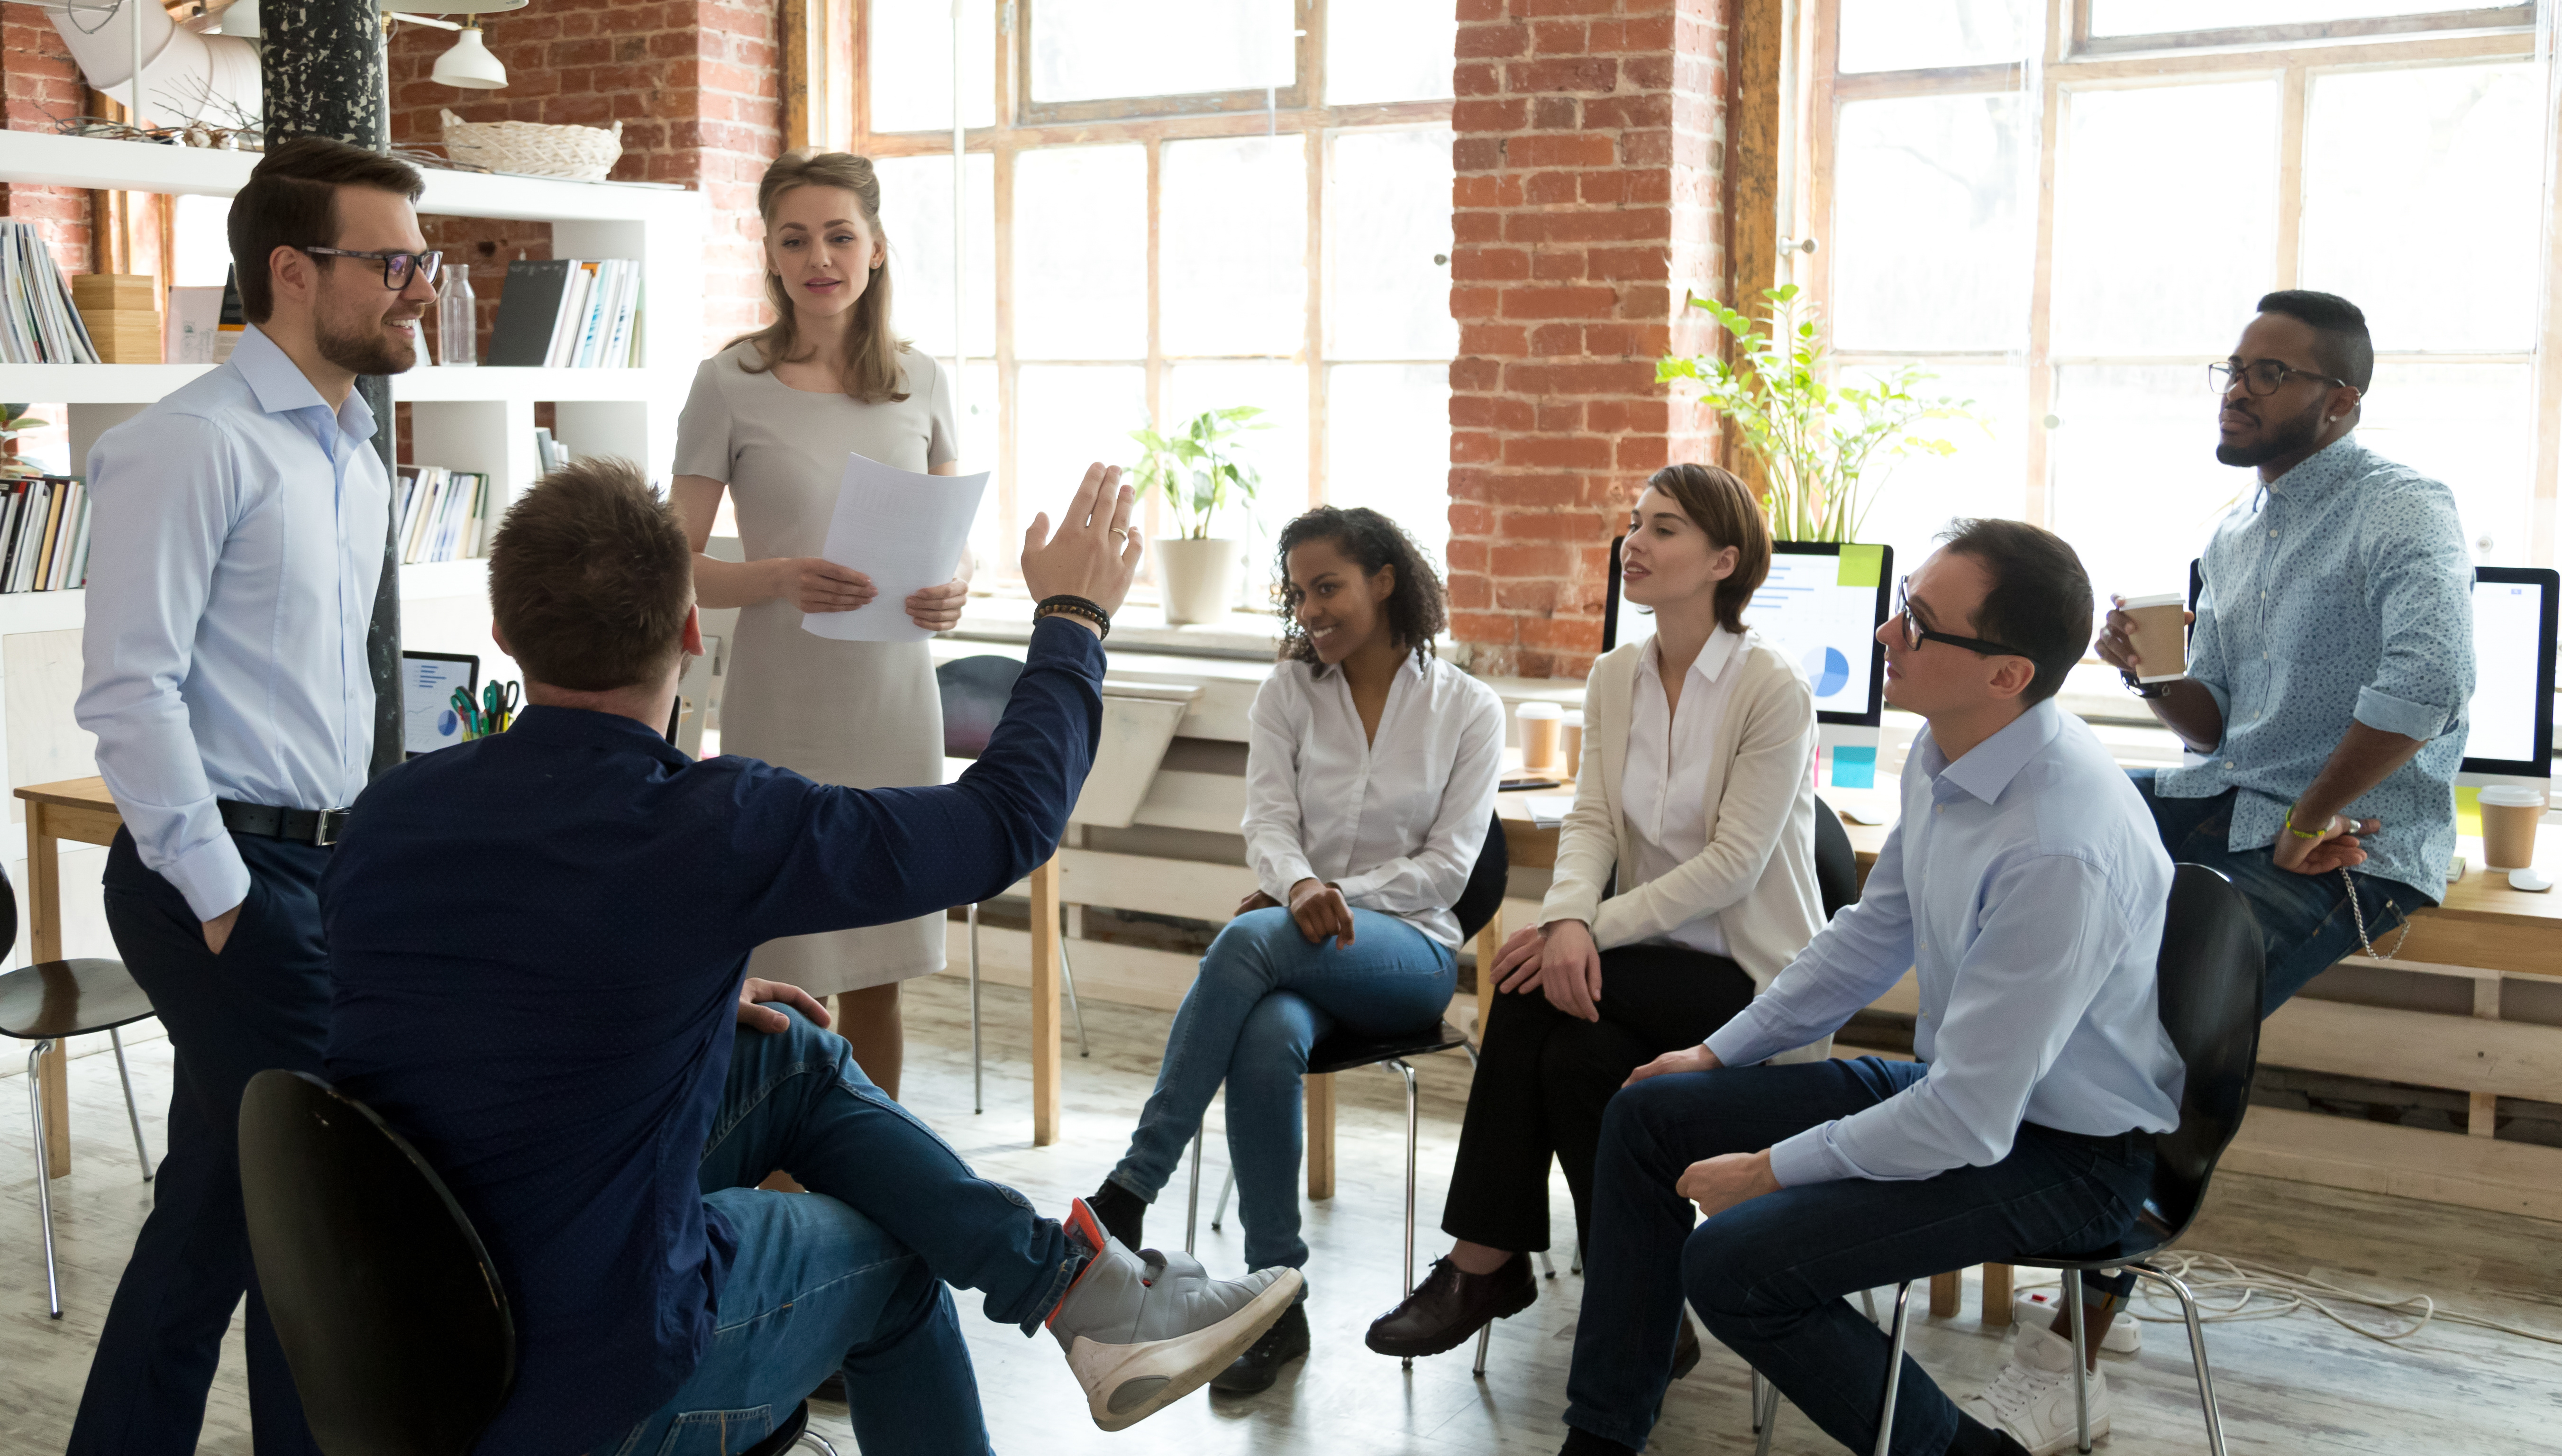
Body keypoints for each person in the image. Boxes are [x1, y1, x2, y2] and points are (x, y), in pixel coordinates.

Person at [322, 457, 1297, 1456]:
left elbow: (461, 1003)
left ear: (504, 636)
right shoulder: (709, 824)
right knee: (897, 1255)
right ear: (693, 630)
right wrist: (1076, 614)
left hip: (411, 1328)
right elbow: (1006, 823)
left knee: (785, 1050)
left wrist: (688, 988)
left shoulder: (386, 816)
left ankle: (1081, 1292)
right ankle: (1078, 1303)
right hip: (593, 1382)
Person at [1554, 519, 2184, 1456]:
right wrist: (1716, 1052)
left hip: (2073, 1157)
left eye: (1919, 625)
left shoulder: (2060, 844)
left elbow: (1970, 1120)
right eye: (1899, 611)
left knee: (1731, 1264)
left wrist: (1768, 1168)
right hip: (1974, 1101)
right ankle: (1603, 1434)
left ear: (2006, 673)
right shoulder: (1951, 749)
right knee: (1653, 1111)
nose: (1887, 636)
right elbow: (1867, 938)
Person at [1966, 288, 2474, 1435]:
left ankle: (2075, 1353)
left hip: (2354, 840)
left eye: (2272, 373)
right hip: (2228, 802)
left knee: (2164, 1009)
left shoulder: (2405, 510)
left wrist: (2312, 813)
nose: (2239, 388)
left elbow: (2428, 683)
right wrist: (2152, 673)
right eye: (2233, 367)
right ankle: (2070, 1226)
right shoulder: (2236, 533)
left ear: (2341, 403)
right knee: (2034, 843)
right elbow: (2222, 730)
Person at [65, 138, 433, 1456]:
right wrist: (223, 900)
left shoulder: (352, 454)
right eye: (390, 261)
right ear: (292, 270)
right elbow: (128, 693)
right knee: (315, 1204)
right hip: (220, 873)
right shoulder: (189, 446)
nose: (416, 287)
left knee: (223, 1201)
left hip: (321, 871)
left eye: (418, 261)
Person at [1366, 463, 1828, 1368]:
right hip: (1638, 968)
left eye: (1663, 529)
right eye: (1634, 523)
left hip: (1745, 981)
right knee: (1578, 1063)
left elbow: (1733, 868)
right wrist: (1569, 916)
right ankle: (1646, 1304)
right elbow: (1589, 821)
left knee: (1531, 991)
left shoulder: (1771, 689)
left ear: (1722, 561)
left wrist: (1582, 932)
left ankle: (1484, 1263)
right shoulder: (1616, 674)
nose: (1635, 544)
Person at [1081, 506, 1504, 1395]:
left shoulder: (1467, 706)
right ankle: (1277, 1300)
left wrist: (1327, 898)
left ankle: (1132, 1184)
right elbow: (1267, 822)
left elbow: (1449, 868)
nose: (1311, 611)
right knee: (1268, 1034)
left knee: (1245, 941)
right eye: (1299, 593)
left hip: (1409, 958)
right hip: (1296, 951)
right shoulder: (1287, 691)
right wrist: (1296, 886)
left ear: (1383, 580)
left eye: (1329, 588)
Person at [670, 148, 971, 1099]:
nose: (820, 257)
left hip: (894, 698)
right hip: (781, 703)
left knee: (883, 961)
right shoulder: (729, 382)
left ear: (876, 248)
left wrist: (955, 589)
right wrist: (775, 576)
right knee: (791, 960)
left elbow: (955, 538)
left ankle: (874, 1182)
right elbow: (670, 564)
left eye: (840, 235)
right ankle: (785, 1180)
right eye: (795, 238)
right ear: (768, 251)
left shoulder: (922, 378)